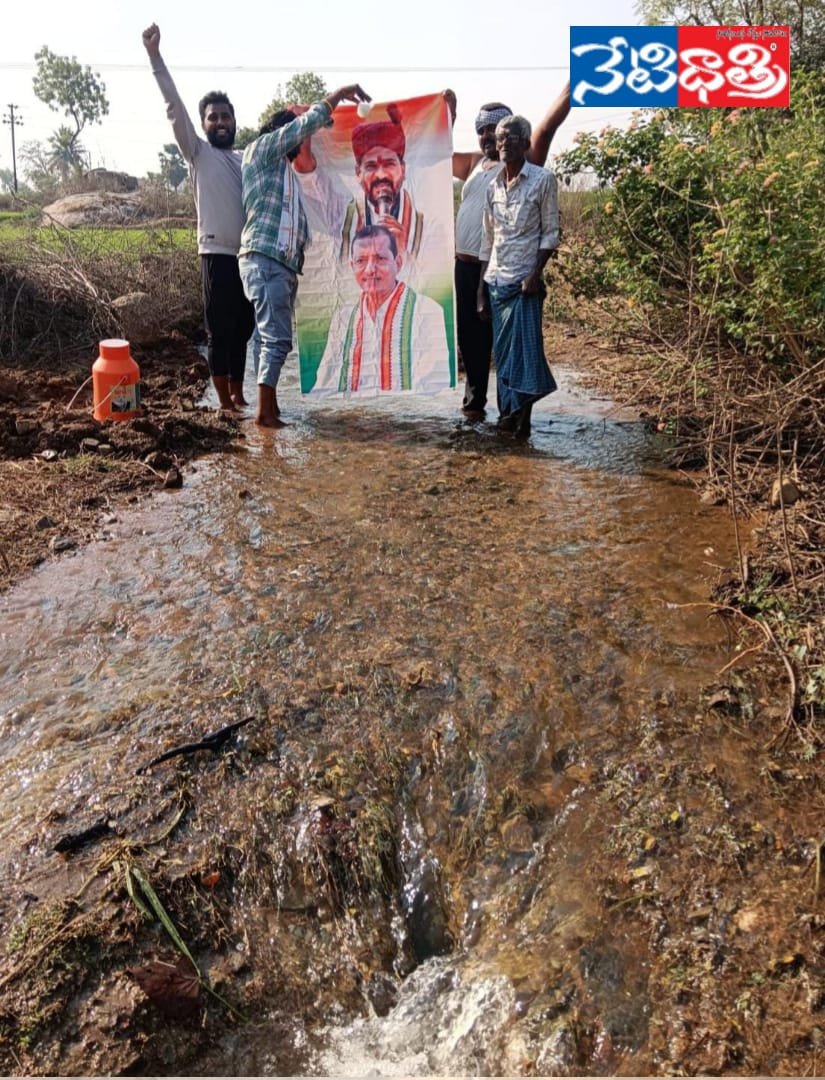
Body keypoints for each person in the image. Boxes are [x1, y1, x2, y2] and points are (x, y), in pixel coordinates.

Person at [239, 84, 369, 427]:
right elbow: (303, 127)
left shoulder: (283, 172)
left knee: (266, 337)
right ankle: (265, 415)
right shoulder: (263, 149)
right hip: (267, 259)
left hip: (270, 261)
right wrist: (337, 95)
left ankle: (269, 407)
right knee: (277, 339)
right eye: (296, 134)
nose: (302, 140)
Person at [142, 23, 254, 413]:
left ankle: (239, 397)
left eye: (225, 116)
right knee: (219, 333)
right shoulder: (198, 154)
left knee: (244, 332)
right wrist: (156, 58)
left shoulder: (247, 160)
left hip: (247, 259)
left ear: (234, 122)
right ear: (203, 124)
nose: (220, 122)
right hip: (216, 257)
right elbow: (174, 107)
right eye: (213, 117)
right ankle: (224, 402)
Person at [452, 84, 570, 418]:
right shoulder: (474, 164)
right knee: (472, 346)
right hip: (468, 270)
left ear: (513, 136)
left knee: (510, 348)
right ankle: (473, 410)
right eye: (483, 131)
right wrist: (449, 113)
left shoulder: (526, 165)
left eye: (497, 130)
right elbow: (429, 156)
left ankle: (513, 417)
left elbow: (547, 127)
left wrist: (572, 87)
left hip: (509, 273)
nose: (490, 137)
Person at [478, 115, 560, 439]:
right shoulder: (492, 187)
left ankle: (521, 422)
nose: (503, 144)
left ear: (526, 144)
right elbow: (488, 240)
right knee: (504, 357)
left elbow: (550, 234)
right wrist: (480, 293)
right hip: (497, 282)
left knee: (525, 355)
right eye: (500, 139)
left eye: (511, 139)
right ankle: (506, 416)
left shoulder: (542, 180)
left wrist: (535, 273)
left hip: (525, 286)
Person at [312, 225, 450, 396]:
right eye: (361, 261)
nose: (370, 269)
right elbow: (324, 384)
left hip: (405, 417)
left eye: (380, 258)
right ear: (352, 266)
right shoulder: (344, 317)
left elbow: (434, 387)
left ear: (398, 263)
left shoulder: (427, 311)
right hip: (354, 418)